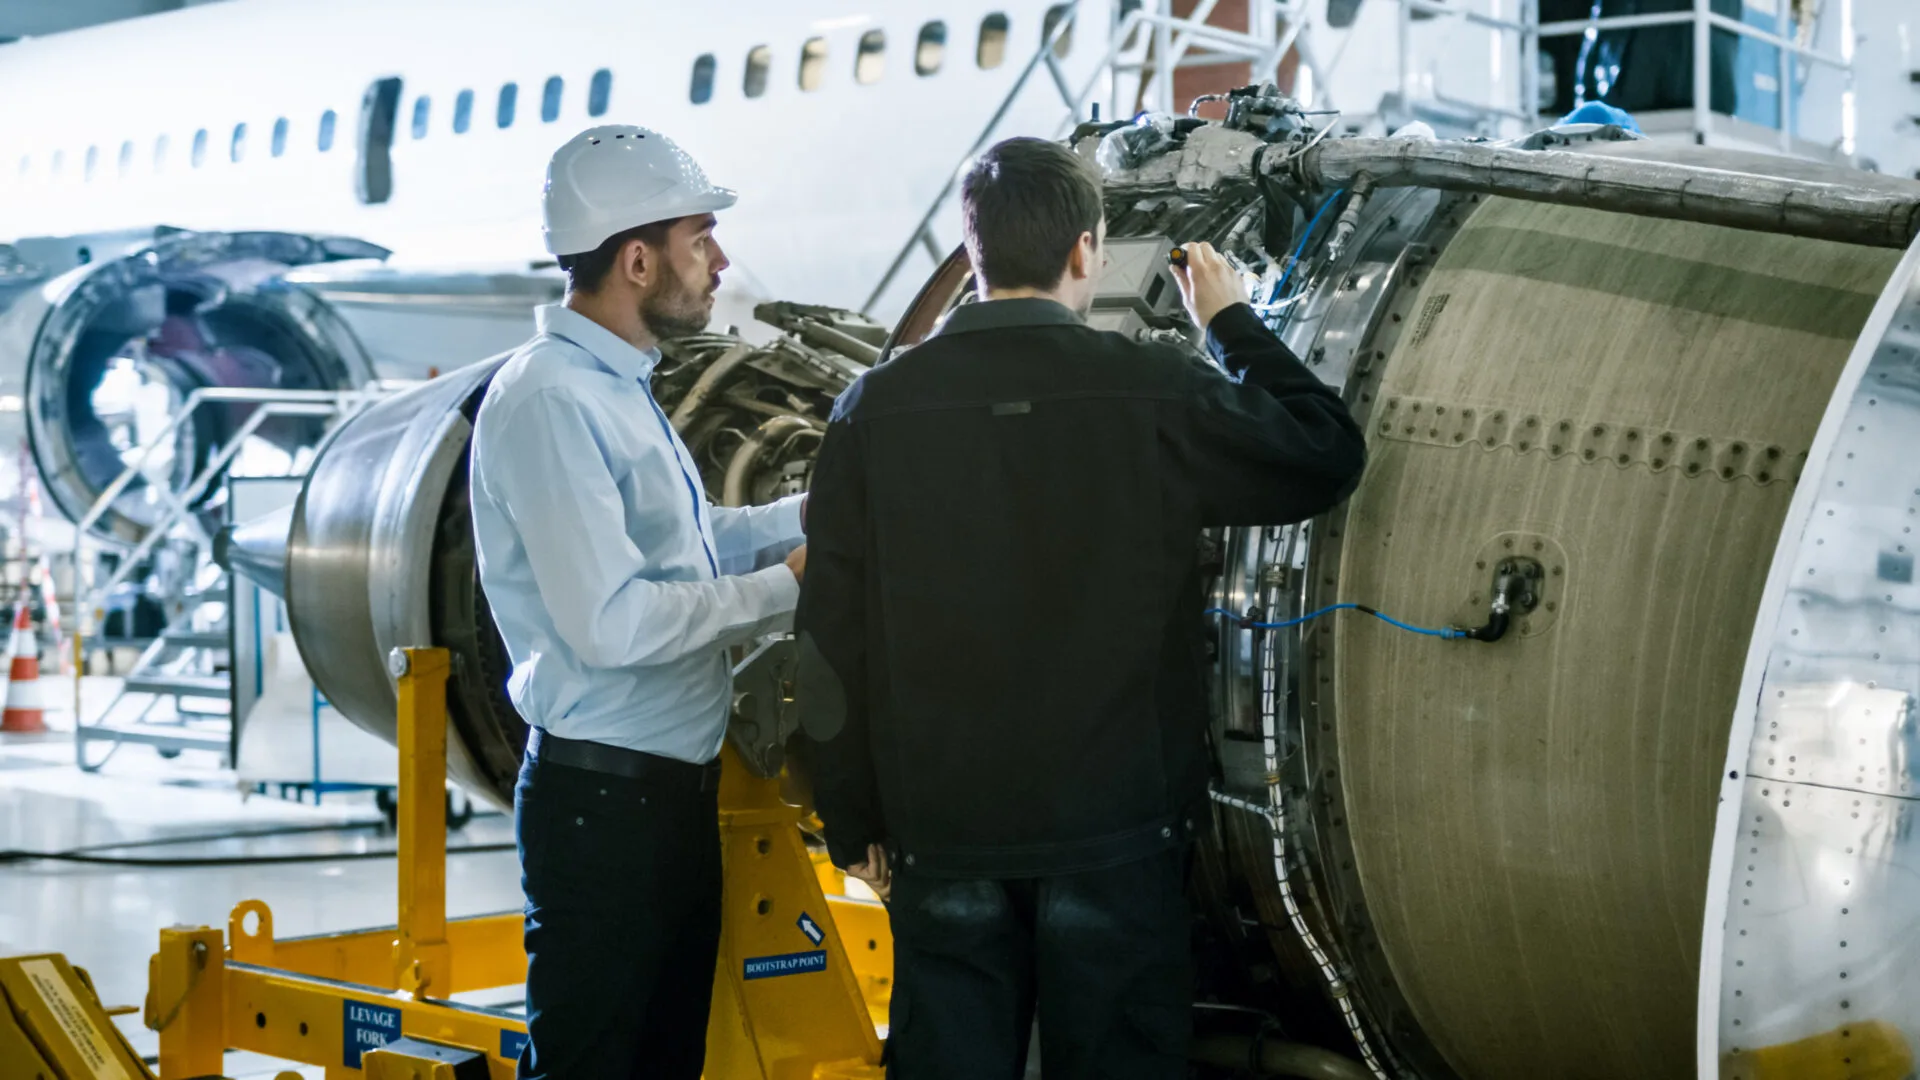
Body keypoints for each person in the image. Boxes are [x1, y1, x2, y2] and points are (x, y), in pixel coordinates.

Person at [796, 136, 1368, 1079]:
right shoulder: (1151, 391)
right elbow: (1325, 451)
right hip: (1117, 829)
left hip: (943, 828)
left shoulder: (874, 409)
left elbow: (829, 633)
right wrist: (1230, 322)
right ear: (1084, 252)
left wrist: (853, 819)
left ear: (974, 254)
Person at [470, 124, 808, 1080]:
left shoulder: (617, 385)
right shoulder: (550, 400)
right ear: (634, 258)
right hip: (603, 809)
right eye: (701, 236)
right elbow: (612, 621)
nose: (720, 260)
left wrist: (811, 514)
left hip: (661, 802)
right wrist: (784, 590)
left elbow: (691, 549)